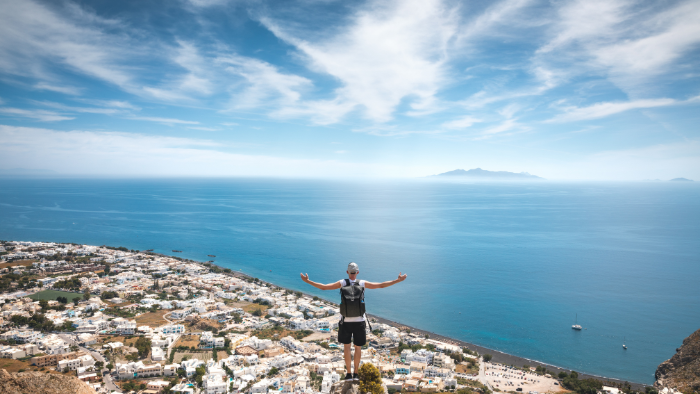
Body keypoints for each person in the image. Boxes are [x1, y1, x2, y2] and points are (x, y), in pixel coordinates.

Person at [300, 262, 407, 381]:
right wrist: (397, 280)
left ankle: (348, 374)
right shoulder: (362, 283)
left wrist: (308, 281)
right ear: (357, 272)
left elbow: (324, 287)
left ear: (347, 272)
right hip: (359, 321)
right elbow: (381, 285)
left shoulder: (342, 283)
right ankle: (356, 374)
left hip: (345, 321)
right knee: (358, 348)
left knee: (347, 347)